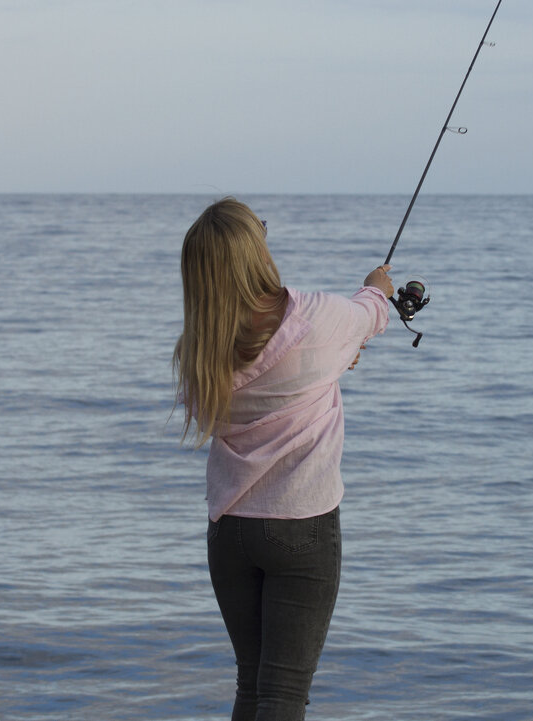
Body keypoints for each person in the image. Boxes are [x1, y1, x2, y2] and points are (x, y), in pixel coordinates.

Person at [173, 197, 393, 721]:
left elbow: (266, 367)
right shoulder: (318, 317)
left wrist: (334, 359)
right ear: (256, 250)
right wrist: (378, 285)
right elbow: (372, 314)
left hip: (229, 532)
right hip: (301, 526)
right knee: (284, 696)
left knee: (251, 686)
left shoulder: (199, 351)